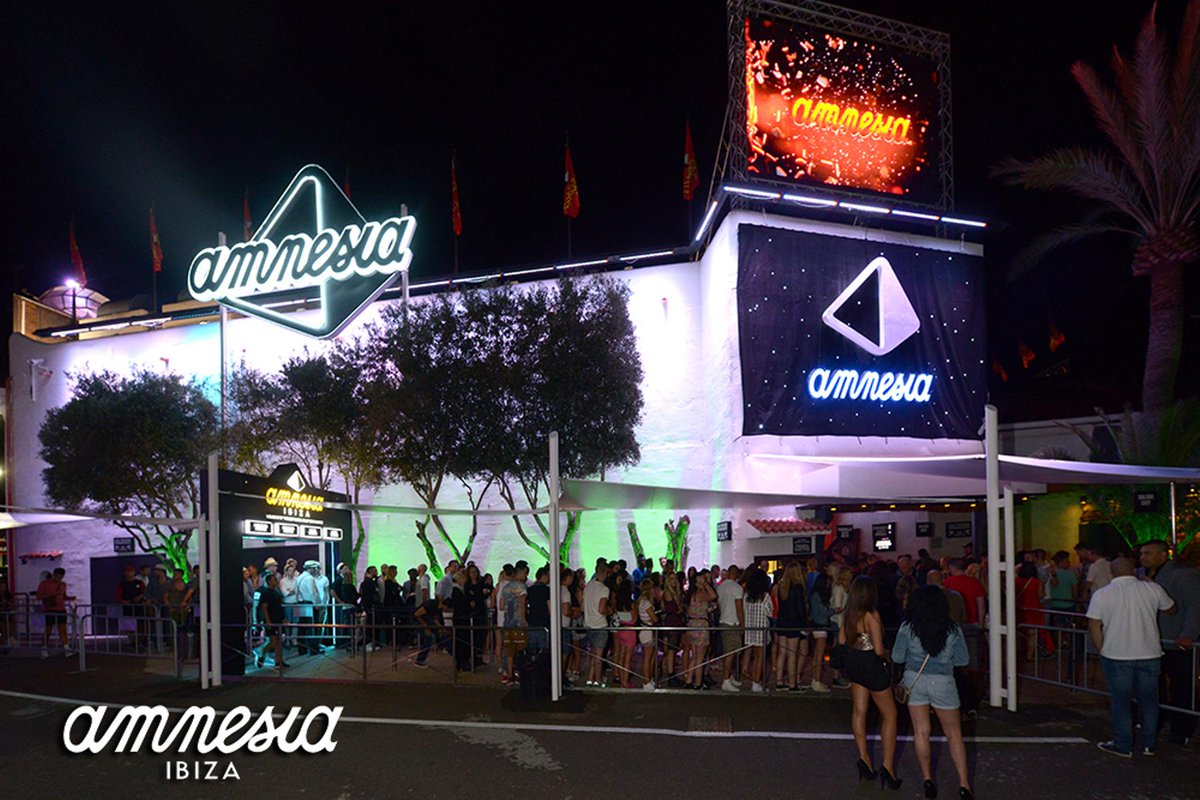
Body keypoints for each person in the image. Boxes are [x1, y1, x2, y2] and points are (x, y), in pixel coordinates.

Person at [1087, 556, 1177, 757]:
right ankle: (1148, 744)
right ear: (1134, 570)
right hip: (1150, 653)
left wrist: (1102, 649)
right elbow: (1171, 609)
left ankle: (1123, 744)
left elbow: (1094, 625)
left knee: (1121, 701)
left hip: (1116, 654)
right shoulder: (1152, 589)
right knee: (1149, 700)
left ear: (1111, 572)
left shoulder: (1102, 594)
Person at [893, 585, 973, 800]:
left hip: (914, 681)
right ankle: (964, 785)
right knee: (954, 734)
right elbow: (963, 660)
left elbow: (897, 657)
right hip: (943, 681)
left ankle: (928, 780)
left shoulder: (908, 628)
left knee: (921, 732)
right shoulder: (952, 629)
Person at [839, 575, 901, 790]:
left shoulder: (849, 613)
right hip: (871, 665)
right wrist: (887, 656)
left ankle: (864, 758)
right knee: (890, 715)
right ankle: (888, 767)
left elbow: (841, 641)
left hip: (855, 663)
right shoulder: (871, 615)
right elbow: (878, 649)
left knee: (859, 711)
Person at [1140, 539, 1199, 746]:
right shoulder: (1140, 574)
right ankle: (1155, 722)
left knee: (1181, 686)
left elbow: (1194, 605)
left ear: (1163, 555)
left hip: (1175, 640)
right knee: (1152, 687)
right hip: (1151, 642)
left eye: (1148, 554)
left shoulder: (1183, 574)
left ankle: (1182, 728)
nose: (1143, 558)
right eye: (1142, 554)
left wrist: (1189, 633)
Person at [775, 563, 810, 691]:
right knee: (792, 654)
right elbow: (800, 608)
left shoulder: (781, 587)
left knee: (782, 653)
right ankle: (792, 684)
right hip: (793, 623)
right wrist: (804, 624)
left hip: (782, 622)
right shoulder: (797, 587)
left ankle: (779, 682)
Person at [683, 569, 717, 690]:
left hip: (692, 625)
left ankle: (688, 680)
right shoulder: (701, 594)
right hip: (701, 627)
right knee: (700, 658)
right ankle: (698, 683)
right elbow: (714, 596)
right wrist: (706, 585)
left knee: (694, 656)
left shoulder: (691, 595)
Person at [1015, 561, 1054, 660]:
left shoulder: (1016, 580)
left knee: (1020, 631)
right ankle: (1030, 655)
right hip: (1033, 609)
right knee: (1032, 633)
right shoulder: (1036, 582)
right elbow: (1041, 595)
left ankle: (1019, 651)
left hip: (1019, 608)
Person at [742, 567, 772, 692]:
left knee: (755, 656)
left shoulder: (747, 596)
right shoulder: (765, 596)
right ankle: (756, 682)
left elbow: (744, 611)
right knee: (760, 657)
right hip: (761, 629)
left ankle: (755, 681)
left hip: (750, 628)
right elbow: (770, 612)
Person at [717, 564, 745, 691]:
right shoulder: (737, 588)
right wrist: (742, 624)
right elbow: (739, 608)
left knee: (729, 651)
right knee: (731, 653)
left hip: (723, 620)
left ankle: (729, 676)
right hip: (732, 622)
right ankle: (726, 680)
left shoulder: (721, 587)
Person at [583, 559, 611, 687]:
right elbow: (602, 609)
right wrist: (609, 611)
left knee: (593, 653)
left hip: (588, 623)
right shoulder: (604, 589)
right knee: (599, 656)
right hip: (599, 624)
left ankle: (590, 678)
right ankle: (598, 680)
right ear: (605, 573)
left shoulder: (588, 586)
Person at [252, 571, 287, 670]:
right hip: (270, 620)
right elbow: (264, 608)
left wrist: (283, 618)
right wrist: (267, 621)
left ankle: (278, 661)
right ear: (268, 581)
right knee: (273, 640)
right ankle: (261, 654)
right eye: (274, 579)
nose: (276, 581)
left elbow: (278, 606)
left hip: (277, 620)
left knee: (278, 641)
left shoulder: (275, 591)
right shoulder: (265, 593)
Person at [37, 567, 73, 658]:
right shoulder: (44, 584)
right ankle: (44, 649)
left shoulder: (62, 584)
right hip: (49, 609)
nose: (59, 578)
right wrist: (52, 595)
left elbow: (63, 596)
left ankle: (66, 648)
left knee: (62, 628)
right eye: (58, 576)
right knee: (48, 629)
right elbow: (39, 596)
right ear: (54, 575)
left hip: (60, 608)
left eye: (61, 576)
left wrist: (69, 598)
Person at [807, 572, 833, 692]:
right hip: (820, 626)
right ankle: (817, 680)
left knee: (817, 654)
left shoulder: (815, 595)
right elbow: (821, 613)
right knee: (819, 655)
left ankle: (815, 680)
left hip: (817, 626)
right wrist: (833, 611)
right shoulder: (818, 596)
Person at [660, 570, 685, 687]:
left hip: (676, 622)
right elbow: (672, 609)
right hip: (672, 623)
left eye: (675, 579)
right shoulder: (668, 592)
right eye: (671, 579)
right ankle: (671, 675)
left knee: (673, 650)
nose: (674, 581)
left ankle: (672, 674)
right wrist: (679, 609)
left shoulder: (675, 592)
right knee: (671, 650)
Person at [611, 577, 637, 688]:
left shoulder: (618, 604)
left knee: (621, 656)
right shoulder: (631, 604)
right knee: (628, 658)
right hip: (630, 630)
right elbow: (634, 619)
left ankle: (622, 680)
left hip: (621, 629)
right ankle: (625, 682)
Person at [163, 568, 194, 659]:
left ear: (181, 575)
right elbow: (165, 597)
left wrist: (187, 606)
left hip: (183, 610)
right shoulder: (169, 585)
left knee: (184, 629)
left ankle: (185, 651)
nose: (174, 576)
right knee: (174, 629)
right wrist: (170, 607)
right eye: (174, 574)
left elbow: (190, 597)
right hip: (174, 610)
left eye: (176, 574)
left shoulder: (187, 586)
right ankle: (175, 649)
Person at [412, 591, 445, 668]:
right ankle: (419, 660)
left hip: (425, 621)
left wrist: (441, 628)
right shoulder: (431, 604)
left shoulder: (437, 608)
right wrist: (426, 628)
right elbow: (417, 615)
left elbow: (435, 620)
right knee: (430, 637)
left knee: (440, 634)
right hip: (417, 621)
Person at [636, 577, 658, 690]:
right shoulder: (646, 602)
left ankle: (649, 678)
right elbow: (654, 618)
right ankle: (646, 681)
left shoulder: (641, 601)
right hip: (647, 630)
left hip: (645, 629)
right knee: (647, 657)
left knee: (649, 656)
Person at [526, 565, 552, 654]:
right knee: (543, 650)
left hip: (532, 621)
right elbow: (550, 607)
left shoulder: (529, 589)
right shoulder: (547, 590)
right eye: (548, 576)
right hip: (543, 622)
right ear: (544, 576)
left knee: (532, 650)